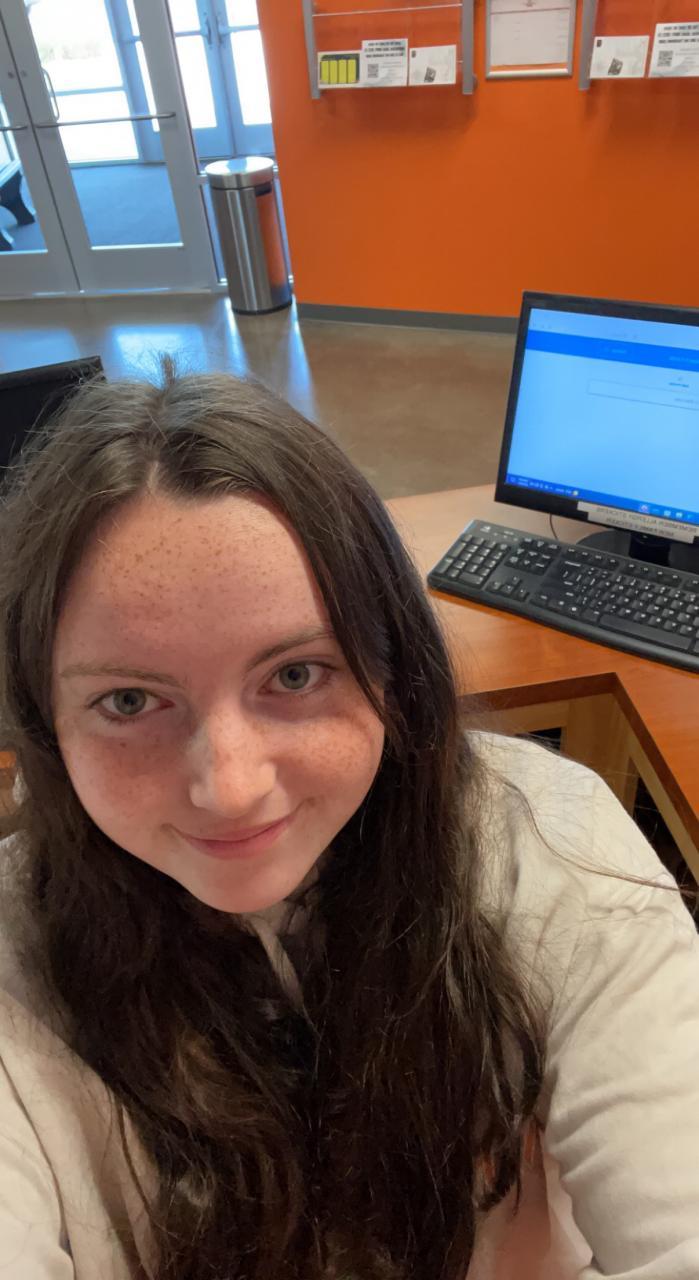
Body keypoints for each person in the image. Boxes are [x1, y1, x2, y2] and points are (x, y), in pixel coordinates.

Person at [0, 360, 697, 1280]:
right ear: (45, 723)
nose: (230, 789)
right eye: (130, 700)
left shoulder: (554, 846)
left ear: (394, 670)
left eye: (294, 675)